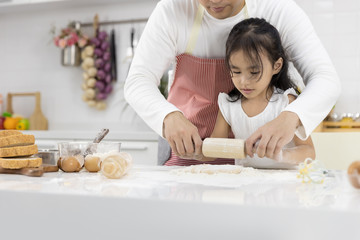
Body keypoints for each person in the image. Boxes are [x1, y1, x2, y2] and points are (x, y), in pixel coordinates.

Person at [124, 0, 340, 166]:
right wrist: (167, 115)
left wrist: (292, 116)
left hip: (257, 168)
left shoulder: (278, 8)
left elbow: (325, 78)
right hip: (193, 157)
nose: (214, 2)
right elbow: (138, 80)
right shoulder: (172, 10)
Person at [199, 18, 315, 168]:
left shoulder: (287, 103)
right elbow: (213, 149)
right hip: (246, 186)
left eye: (254, 72)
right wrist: (196, 150)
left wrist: (282, 155)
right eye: (236, 71)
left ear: (276, 66)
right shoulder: (228, 105)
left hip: (285, 187)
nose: (243, 81)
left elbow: (309, 151)